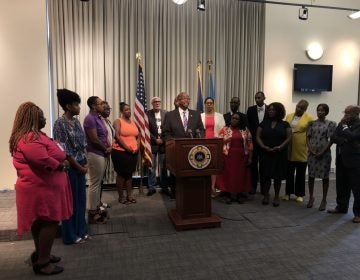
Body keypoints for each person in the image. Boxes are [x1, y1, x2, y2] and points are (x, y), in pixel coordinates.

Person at [9, 102, 72, 275]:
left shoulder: (34, 136)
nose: (45, 118)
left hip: (44, 187)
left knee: (41, 222)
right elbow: (42, 160)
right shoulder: (30, 138)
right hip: (41, 189)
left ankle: (42, 254)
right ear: (33, 119)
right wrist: (61, 165)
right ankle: (43, 263)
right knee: (49, 222)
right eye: (42, 116)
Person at [53, 89, 89, 245]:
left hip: (81, 163)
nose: (79, 107)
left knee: (81, 200)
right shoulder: (59, 124)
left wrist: (85, 163)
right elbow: (64, 150)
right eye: (76, 104)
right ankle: (70, 234)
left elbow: (82, 144)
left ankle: (81, 230)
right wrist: (78, 167)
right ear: (67, 106)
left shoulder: (76, 121)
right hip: (71, 166)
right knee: (70, 201)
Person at [162, 92, 205, 198]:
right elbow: (166, 133)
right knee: (175, 173)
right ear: (178, 100)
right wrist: (171, 144)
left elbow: (201, 130)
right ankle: (175, 193)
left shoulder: (196, 114)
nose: (187, 100)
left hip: (193, 151)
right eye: (184, 98)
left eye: (188, 98)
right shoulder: (170, 115)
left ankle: (191, 193)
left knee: (191, 173)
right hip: (176, 150)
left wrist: (199, 138)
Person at [328, 105, 360, 223]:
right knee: (341, 185)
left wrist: (346, 130)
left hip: (354, 161)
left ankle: (358, 213)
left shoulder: (358, 125)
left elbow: (353, 136)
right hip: (341, 159)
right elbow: (333, 137)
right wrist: (345, 140)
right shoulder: (342, 124)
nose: (345, 115)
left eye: (348, 113)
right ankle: (341, 207)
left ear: (356, 114)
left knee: (356, 188)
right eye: (345, 113)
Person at [256, 102, 292, 206]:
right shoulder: (264, 123)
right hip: (266, 153)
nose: (270, 111)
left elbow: (289, 137)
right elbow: (258, 136)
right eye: (269, 109)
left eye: (273, 110)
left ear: (279, 111)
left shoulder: (285, 124)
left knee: (277, 176)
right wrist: (263, 146)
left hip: (279, 153)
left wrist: (280, 147)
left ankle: (276, 196)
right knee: (266, 176)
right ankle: (266, 195)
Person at [83, 96, 111, 224]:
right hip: (95, 153)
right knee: (94, 184)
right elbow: (94, 139)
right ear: (94, 106)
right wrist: (105, 149)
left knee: (98, 182)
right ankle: (92, 213)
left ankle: (96, 207)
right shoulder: (90, 119)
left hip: (102, 153)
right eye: (100, 104)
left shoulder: (98, 117)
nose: (103, 106)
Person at [216, 113, 253, 204]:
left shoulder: (245, 130)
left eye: (237, 119)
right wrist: (225, 141)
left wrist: (250, 158)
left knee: (240, 175)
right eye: (233, 118)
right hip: (228, 155)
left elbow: (250, 144)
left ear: (240, 120)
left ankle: (239, 194)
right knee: (229, 175)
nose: (234, 120)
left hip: (242, 156)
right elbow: (218, 142)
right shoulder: (225, 129)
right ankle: (228, 194)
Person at [306, 104, 336, 210]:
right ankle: (311, 197)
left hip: (325, 153)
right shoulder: (311, 123)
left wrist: (322, 152)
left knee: (325, 177)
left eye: (322, 110)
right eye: (318, 110)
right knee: (311, 176)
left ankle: (324, 200)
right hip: (312, 153)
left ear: (326, 112)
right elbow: (307, 138)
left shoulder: (331, 124)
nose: (320, 112)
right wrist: (311, 150)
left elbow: (331, 140)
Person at [283, 99, 314, 203]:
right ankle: (287, 193)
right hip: (289, 148)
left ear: (305, 109)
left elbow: (310, 134)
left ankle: (300, 194)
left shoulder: (309, 118)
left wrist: (310, 147)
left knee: (300, 173)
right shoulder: (289, 116)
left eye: (301, 108)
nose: (298, 109)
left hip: (301, 148)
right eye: (298, 106)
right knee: (289, 173)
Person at [111, 102, 140, 204]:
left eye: (129, 109)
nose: (129, 111)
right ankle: (121, 197)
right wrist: (127, 147)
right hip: (120, 152)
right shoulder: (118, 121)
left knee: (129, 175)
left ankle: (129, 195)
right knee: (121, 175)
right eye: (126, 110)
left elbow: (138, 135)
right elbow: (117, 136)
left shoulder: (133, 122)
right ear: (122, 111)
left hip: (133, 152)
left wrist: (138, 147)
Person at [200, 97, 225, 196]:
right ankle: (204, 187)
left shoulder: (220, 116)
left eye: (211, 103)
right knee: (204, 165)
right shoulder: (200, 116)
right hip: (203, 144)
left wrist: (218, 140)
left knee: (213, 166)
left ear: (213, 104)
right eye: (207, 103)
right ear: (205, 104)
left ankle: (213, 187)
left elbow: (223, 130)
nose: (209, 105)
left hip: (215, 144)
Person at [246, 91, 269, 195]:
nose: (257, 99)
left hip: (265, 143)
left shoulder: (270, 109)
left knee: (264, 166)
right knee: (253, 166)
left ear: (264, 97)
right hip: (254, 143)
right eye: (256, 98)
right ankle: (253, 186)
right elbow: (248, 126)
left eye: (259, 97)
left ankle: (264, 188)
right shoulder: (250, 110)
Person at [147, 97, 167, 196]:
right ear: (152, 103)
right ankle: (152, 187)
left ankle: (164, 187)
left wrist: (162, 139)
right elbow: (146, 129)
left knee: (163, 166)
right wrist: (155, 139)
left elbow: (168, 128)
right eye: (155, 102)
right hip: (152, 144)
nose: (157, 103)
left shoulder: (165, 113)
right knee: (152, 166)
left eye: (159, 101)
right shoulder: (147, 114)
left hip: (163, 144)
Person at [100, 101, 115, 208]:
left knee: (102, 179)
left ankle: (99, 202)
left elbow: (112, 136)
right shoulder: (99, 121)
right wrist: (106, 148)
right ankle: (96, 205)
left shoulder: (108, 121)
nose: (108, 110)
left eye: (109, 109)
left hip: (108, 152)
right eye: (106, 109)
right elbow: (97, 137)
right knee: (98, 181)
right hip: (100, 152)